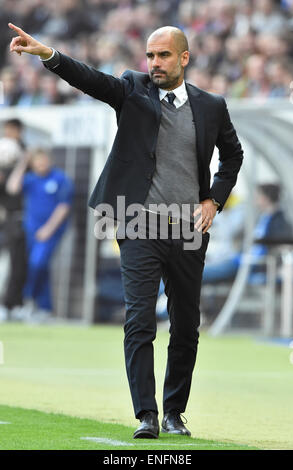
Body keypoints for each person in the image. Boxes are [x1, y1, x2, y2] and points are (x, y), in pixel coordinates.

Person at [8, 22, 243, 437]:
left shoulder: (211, 105)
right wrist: (48, 55)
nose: (154, 62)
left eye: (163, 55)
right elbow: (89, 80)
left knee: (186, 323)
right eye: (150, 55)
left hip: (188, 229)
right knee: (139, 319)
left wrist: (213, 200)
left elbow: (232, 156)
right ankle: (147, 415)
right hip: (138, 224)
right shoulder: (132, 89)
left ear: (184, 58)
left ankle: (174, 412)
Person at [6, 147, 74, 322]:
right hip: (32, 230)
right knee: (37, 266)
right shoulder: (30, 179)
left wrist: (48, 229)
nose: (41, 164)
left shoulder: (60, 179)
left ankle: (30, 300)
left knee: (38, 263)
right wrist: (22, 163)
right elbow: (12, 188)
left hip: (50, 231)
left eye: (43, 160)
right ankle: (44, 307)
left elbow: (63, 207)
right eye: (37, 161)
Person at [202, 183, 293, 284]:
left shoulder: (279, 222)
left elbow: (278, 246)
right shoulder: (263, 218)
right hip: (244, 259)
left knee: (205, 273)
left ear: (266, 198)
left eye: (258, 196)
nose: (255, 200)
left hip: (254, 262)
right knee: (211, 267)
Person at [0, 120, 27, 321]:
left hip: (20, 217)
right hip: (7, 216)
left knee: (19, 263)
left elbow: (15, 189)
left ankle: (12, 304)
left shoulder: (26, 155)